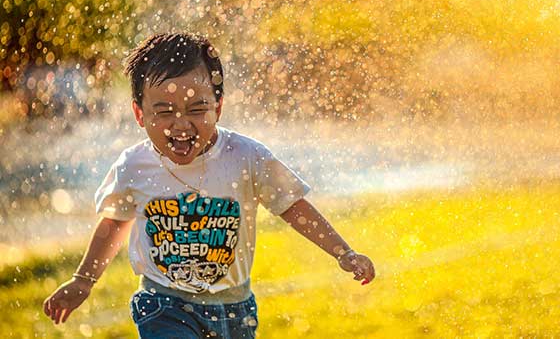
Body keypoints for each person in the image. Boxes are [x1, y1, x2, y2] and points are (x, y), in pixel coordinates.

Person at [42, 32, 375, 338]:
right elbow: (115, 222)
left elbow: (292, 205)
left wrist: (342, 251)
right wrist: (83, 280)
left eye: (197, 109)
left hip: (235, 309)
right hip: (164, 305)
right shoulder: (134, 166)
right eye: (164, 111)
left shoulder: (246, 157)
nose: (181, 124)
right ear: (140, 114)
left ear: (218, 107)